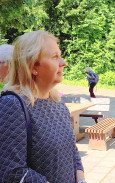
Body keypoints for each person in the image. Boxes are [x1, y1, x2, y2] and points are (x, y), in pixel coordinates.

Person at [0, 30, 87, 183]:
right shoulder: (12, 105)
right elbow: (11, 171)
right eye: (55, 57)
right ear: (33, 66)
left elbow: (72, 152)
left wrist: (80, 180)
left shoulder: (59, 104)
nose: (63, 63)